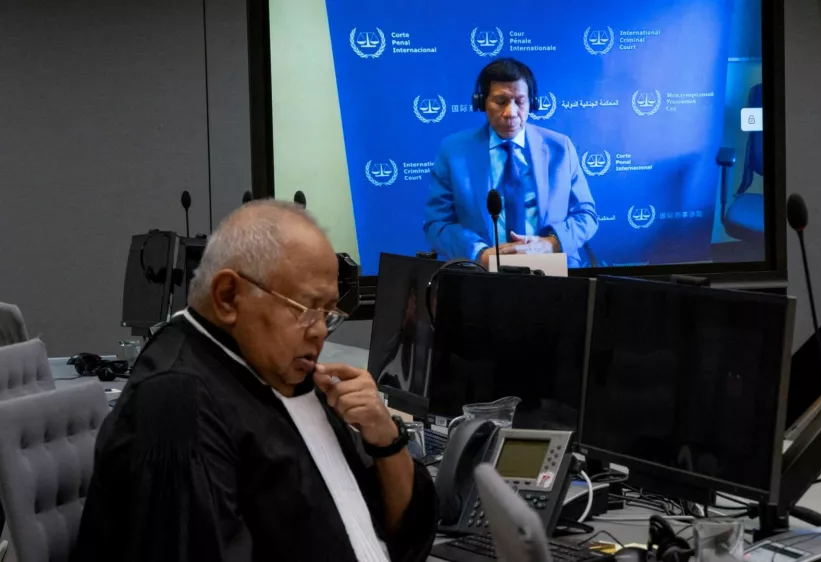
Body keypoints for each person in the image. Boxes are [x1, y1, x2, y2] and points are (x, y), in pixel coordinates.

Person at [72, 201, 437, 562]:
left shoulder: (287, 372)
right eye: (307, 310)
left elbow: (400, 529)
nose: (322, 330)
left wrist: (385, 439)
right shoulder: (178, 401)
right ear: (229, 296)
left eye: (329, 313)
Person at [423, 58, 598, 268]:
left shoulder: (560, 148)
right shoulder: (453, 152)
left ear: (532, 102)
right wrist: (480, 254)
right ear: (481, 102)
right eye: (500, 101)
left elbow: (586, 216)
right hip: (481, 273)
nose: (510, 113)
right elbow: (437, 224)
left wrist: (550, 244)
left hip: (552, 270)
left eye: (520, 101)